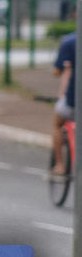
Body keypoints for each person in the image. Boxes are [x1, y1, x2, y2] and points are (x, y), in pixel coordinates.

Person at [52, 31, 76, 177]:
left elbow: (62, 72)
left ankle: (60, 165)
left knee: (57, 123)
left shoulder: (70, 41)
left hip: (73, 101)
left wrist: (61, 95)